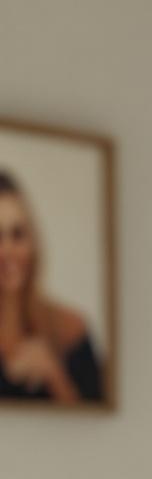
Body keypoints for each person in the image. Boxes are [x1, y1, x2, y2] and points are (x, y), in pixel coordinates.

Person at [0, 170, 107, 405]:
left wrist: (54, 375)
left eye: (17, 234)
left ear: (33, 242)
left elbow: (99, 421)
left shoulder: (71, 327)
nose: (7, 250)